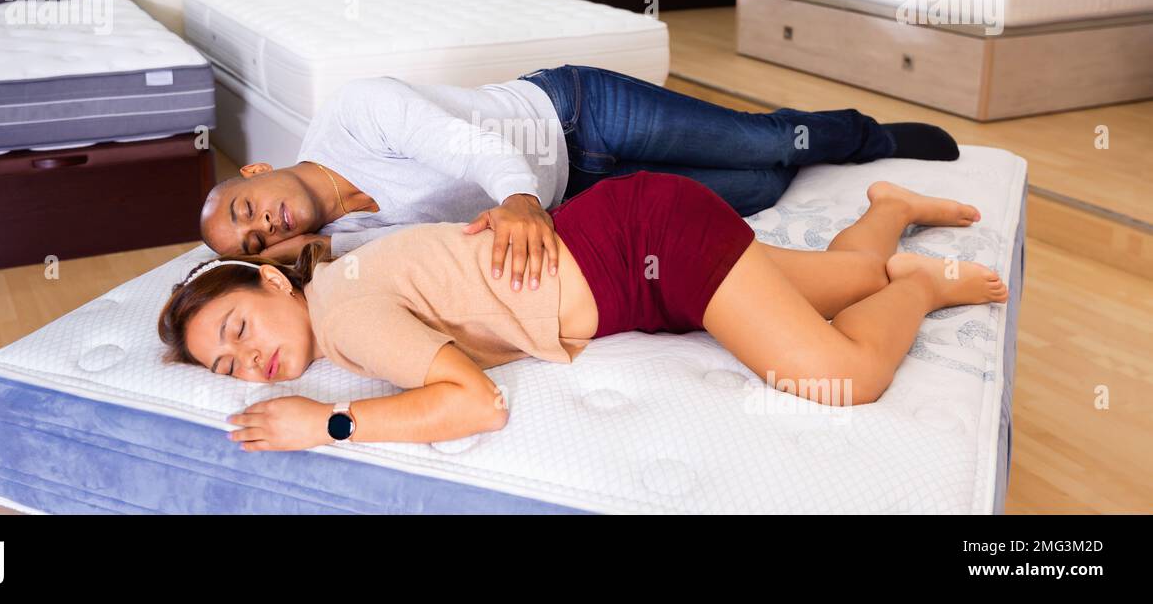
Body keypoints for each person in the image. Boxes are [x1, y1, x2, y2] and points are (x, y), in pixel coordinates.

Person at [160, 173, 1006, 452]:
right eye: (227, 366)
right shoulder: (346, 281)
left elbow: (473, 403)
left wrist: (328, 425)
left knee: (842, 376)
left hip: (650, 246)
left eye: (238, 329)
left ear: (272, 284)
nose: (250, 362)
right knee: (851, 275)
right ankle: (890, 208)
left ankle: (924, 286)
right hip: (633, 258)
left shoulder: (339, 309)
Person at [199, 65, 959, 292]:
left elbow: (471, 152)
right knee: (758, 188)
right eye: (253, 239)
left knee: (760, 140)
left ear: (254, 169)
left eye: (244, 207)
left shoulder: (354, 108)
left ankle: (868, 134)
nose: (263, 224)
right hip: (578, 193)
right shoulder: (341, 238)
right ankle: (804, 158)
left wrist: (522, 201)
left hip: (579, 114)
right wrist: (274, 275)